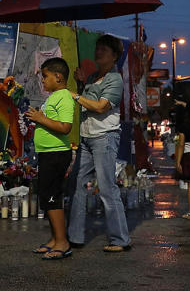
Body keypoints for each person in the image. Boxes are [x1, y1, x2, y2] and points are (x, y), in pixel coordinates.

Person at [69, 35, 132, 252]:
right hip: (86, 137)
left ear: (114, 56)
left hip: (104, 137)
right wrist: (81, 83)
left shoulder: (114, 79)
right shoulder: (93, 77)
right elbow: (88, 101)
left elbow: (101, 107)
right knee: (76, 185)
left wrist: (76, 95)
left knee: (107, 189)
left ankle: (120, 239)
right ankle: (74, 235)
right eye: (98, 48)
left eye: (104, 49)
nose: (98, 52)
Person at [24, 57, 75, 260]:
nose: (42, 81)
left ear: (58, 77)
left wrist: (40, 118)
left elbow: (65, 127)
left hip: (56, 153)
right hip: (47, 153)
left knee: (53, 196)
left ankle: (63, 242)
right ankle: (54, 239)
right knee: (46, 196)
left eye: (45, 76)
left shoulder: (64, 97)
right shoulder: (53, 97)